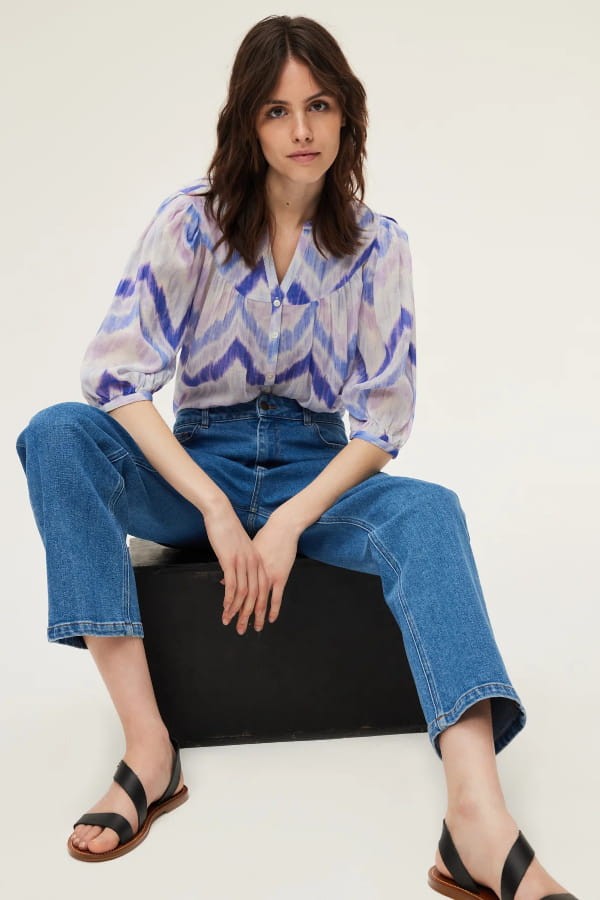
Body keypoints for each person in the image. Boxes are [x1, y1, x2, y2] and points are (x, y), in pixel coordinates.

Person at [15, 14, 576, 899]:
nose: (302, 130)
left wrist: (286, 521)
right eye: (277, 111)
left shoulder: (380, 246)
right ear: (248, 122)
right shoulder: (191, 224)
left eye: (319, 106)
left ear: (347, 114)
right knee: (55, 434)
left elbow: (383, 423)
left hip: (317, 470)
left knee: (431, 510)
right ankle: (149, 749)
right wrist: (211, 505)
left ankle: (477, 817)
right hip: (198, 463)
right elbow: (115, 378)